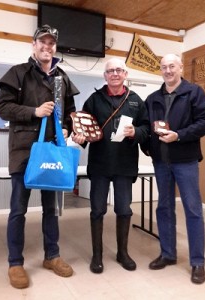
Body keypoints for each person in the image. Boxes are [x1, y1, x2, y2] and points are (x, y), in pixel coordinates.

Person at [0, 24, 79, 289]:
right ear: (34, 45)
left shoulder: (62, 78)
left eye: (51, 43)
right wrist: (34, 111)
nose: (47, 46)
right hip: (24, 153)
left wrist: (67, 126)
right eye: (42, 42)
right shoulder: (18, 73)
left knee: (50, 210)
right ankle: (15, 262)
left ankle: (51, 256)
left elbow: (70, 113)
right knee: (18, 210)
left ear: (55, 47)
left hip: (53, 152)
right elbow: (3, 107)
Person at [72, 58, 149, 273]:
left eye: (118, 70)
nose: (114, 73)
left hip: (125, 165)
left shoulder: (136, 101)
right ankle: (97, 255)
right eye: (110, 71)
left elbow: (146, 128)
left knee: (124, 210)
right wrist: (80, 138)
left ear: (125, 74)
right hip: (99, 165)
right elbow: (85, 128)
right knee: (97, 210)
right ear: (105, 76)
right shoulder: (94, 100)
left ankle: (122, 253)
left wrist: (137, 132)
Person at [141, 53, 205, 284]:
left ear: (181, 67)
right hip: (161, 162)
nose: (168, 70)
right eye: (164, 67)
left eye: (172, 66)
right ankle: (168, 254)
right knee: (163, 208)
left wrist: (179, 136)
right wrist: (148, 149)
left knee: (193, 210)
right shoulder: (152, 98)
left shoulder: (194, 93)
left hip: (186, 161)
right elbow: (144, 126)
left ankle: (197, 262)